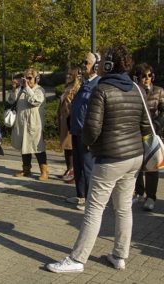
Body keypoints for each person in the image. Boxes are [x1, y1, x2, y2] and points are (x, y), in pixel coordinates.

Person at [47, 45, 151, 273]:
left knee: (94, 208)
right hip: (134, 157)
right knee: (123, 209)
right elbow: (145, 125)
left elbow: (91, 130)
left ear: (109, 64)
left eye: (102, 60)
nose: (99, 63)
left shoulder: (102, 89)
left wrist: (93, 146)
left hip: (110, 158)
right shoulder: (136, 88)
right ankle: (120, 256)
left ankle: (77, 259)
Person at [66, 52, 101, 210]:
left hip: (86, 133)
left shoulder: (97, 85)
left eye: (86, 62)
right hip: (76, 131)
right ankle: (80, 196)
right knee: (78, 165)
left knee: (88, 167)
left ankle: (89, 200)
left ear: (96, 66)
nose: (83, 65)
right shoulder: (85, 83)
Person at [132, 63, 164, 211]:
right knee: (137, 164)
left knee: (152, 165)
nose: (147, 79)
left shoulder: (159, 91)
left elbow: (163, 112)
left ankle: (150, 197)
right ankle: (139, 192)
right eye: (143, 76)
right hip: (137, 132)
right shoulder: (135, 91)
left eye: (149, 75)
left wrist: (157, 125)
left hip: (152, 132)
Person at [9, 68, 48, 181]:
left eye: (30, 78)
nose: (27, 80)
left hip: (34, 124)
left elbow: (35, 101)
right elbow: (11, 100)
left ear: (36, 79)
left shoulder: (39, 90)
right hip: (22, 123)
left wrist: (26, 88)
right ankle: (26, 169)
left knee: (37, 147)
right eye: (25, 78)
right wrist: (15, 88)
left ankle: (44, 170)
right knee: (24, 146)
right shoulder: (21, 89)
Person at [56, 67, 81, 183]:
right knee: (66, 147)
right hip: (63, 119)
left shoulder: (77, 88)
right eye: (67, 74)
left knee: (70, 146)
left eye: (71, 75)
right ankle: (68, 169)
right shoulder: (67, 87)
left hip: (70, 120)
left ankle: (73, 171)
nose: (68, 76)